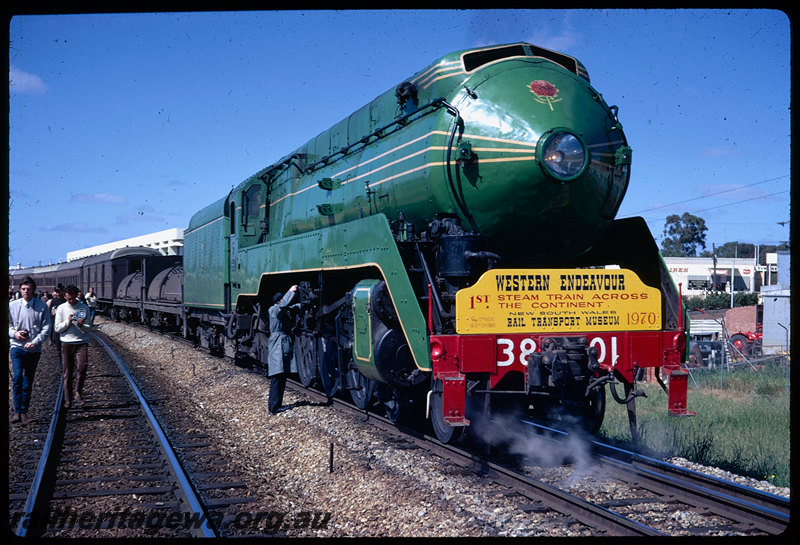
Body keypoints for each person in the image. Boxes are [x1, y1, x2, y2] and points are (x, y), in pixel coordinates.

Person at [9, 277, 52, 424]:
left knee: (28, 380)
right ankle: (16, 411)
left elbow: (46, 328)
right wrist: (15, 334)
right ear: (20, 290)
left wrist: (35, 342)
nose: (26, 292)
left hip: (34, 349)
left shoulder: (42, 306)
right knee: (17, 378)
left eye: (28, 289)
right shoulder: (12, 306)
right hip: (17, 347)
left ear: (33, 290)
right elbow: (7, 325)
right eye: (23, 289)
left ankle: (24, 411)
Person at [54, 285, 93, 408]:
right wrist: (68, 322)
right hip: (66, 342)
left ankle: (78, 393)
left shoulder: (84, 307)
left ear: (77, 295)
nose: (70, 301)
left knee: (82, 368)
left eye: (72, 298)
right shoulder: (61, 308)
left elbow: (88, 329)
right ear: (65, 297)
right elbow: (57, 328)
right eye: (68, 299)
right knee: (67, 372)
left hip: (81, 342)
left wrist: (81, 325)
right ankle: (68, 399)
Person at [267, 285, 299, 414]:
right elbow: (283, 306)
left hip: (281, 343)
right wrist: (290, 291)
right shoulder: (274, 310)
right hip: (277, 344)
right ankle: (274, 407)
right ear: (280, 300)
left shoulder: (278, 310)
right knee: (277, 377)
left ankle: (276, 405)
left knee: (281, 376)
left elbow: (290, 307)